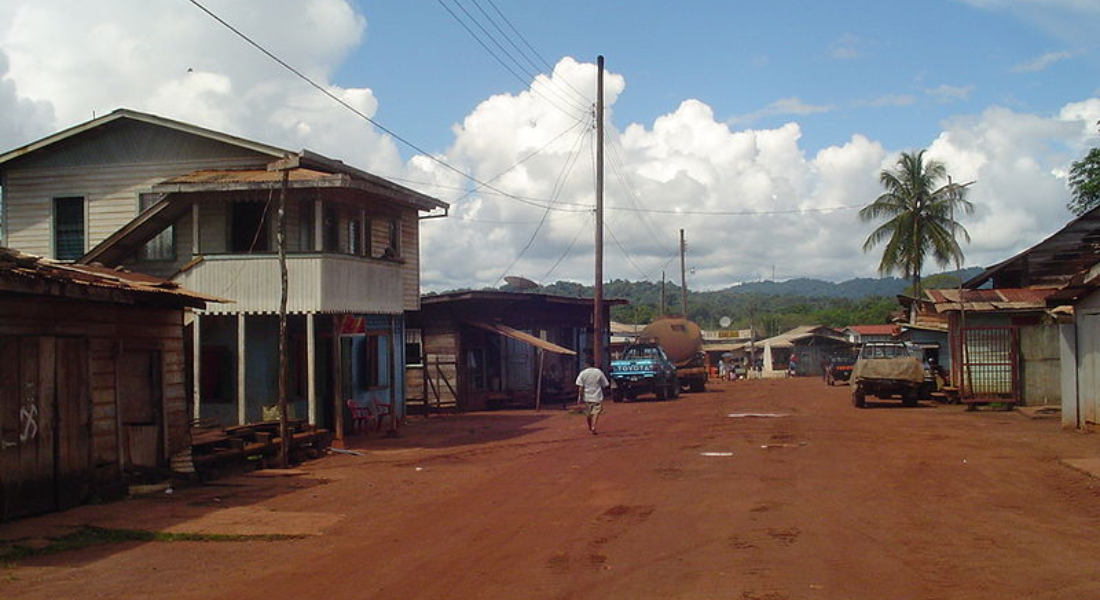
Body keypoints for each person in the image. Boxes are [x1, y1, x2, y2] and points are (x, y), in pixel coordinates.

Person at [575, 356, 610, 435]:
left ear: (586, 364)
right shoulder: (598, 372)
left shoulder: (582, 373)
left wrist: (579, 397)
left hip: (587, 397)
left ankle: (590, 427)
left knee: (588, 414)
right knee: (596, 412)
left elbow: (580, 387)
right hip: (597, 396)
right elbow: (605, 384)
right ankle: (594, 426)